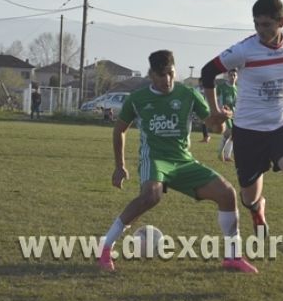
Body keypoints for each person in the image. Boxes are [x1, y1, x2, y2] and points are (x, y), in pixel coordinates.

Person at [98, 50, 257, 274]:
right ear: (152, 74)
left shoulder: (188, 95)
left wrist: (220, 120)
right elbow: (119, 130)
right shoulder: (138, 99)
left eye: (171, 74)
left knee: (227, 193)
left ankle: (233, 257)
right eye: (162, 75)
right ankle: (105, 247)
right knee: (150, 196)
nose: (168, 80)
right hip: (154, 159)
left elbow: (213, 126)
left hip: (183, 161)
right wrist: (119, 166)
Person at [200, 0, 283, 274]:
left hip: (280, 126)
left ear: (281, 22)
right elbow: (207, 72)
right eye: (256, 25)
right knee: (248, 195)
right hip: (248, 131)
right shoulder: (244, 50)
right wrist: (214, 111)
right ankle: (256, 209)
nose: (260, 30)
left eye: (266, 25)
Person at [217, 69, 238, 162]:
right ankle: (221, 154)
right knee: (230, 132)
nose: (232, 77)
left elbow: (235, 103)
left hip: (233, 113)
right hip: (224, 113)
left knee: (232, 135)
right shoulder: (221, 87)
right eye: (231, 75)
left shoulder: (236, 89)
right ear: (227, 76)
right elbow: (217, 99)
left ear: (237, 77)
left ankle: (226, 155)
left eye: (234, 75)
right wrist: (220, 109)